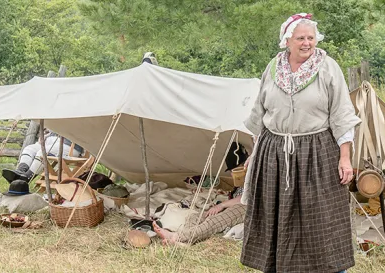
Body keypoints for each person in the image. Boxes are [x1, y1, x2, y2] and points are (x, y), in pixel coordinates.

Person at [240, 13, 360, 273]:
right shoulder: (273, 68)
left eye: (311, 38)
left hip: (316, 152)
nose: (307, 43)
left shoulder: (328, 68)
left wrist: (345, 157)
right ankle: (277, 267)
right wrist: (255, 152)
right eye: (300, 38)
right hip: (274, 152)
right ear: (287, 41)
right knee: (275, 216)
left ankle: (332, 270)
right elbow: (259, 114)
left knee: (321, 219)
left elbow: (342, 114)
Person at [152, 195, 245, 245]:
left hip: (248, 207)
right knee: (195, 217)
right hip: (233, 204)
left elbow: (247, 197)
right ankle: (186, 243)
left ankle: (177, 236)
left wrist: (221, 205)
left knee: (214, 221)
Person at [1, 130, 86, 183]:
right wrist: (46, 136)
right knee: (29, 149)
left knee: (42, 152)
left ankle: (26, 178)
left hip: (69, 146)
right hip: (49, 142)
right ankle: (20, 171)